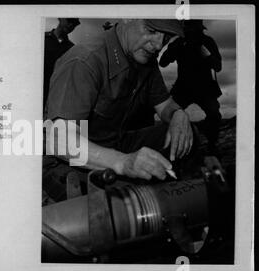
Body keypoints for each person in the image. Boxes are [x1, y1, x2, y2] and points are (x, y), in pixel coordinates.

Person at [43, 19, 196, 202]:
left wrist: (178, 114)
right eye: (151, 30)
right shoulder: (85, 59)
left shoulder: (145, 58)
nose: (158, 45)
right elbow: (59, 140)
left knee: (186, 135)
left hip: (115, 144)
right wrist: (123, 162)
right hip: (70, 160)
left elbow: (164, 105)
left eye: (168, 37)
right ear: (127, 18)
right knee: (124, 208)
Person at [159, 20, 222, 155]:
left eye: (192, 28)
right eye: (187, 28)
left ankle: (212, 144)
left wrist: (207, 55)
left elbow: (218, 66)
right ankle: (169, 143)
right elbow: (162, 63)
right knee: (169, 114)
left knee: (214, 115)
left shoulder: (207, 41)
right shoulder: (179, 43)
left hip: (204, 88)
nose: (190, 31)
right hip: (184, 88)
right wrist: (172, 50)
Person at [43, 18, 81, 112]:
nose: (71, 25)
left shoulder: (72, 49)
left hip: (57, 94)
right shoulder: (42, 39)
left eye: (74, 24)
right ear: (60, 18)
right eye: (69, 20)